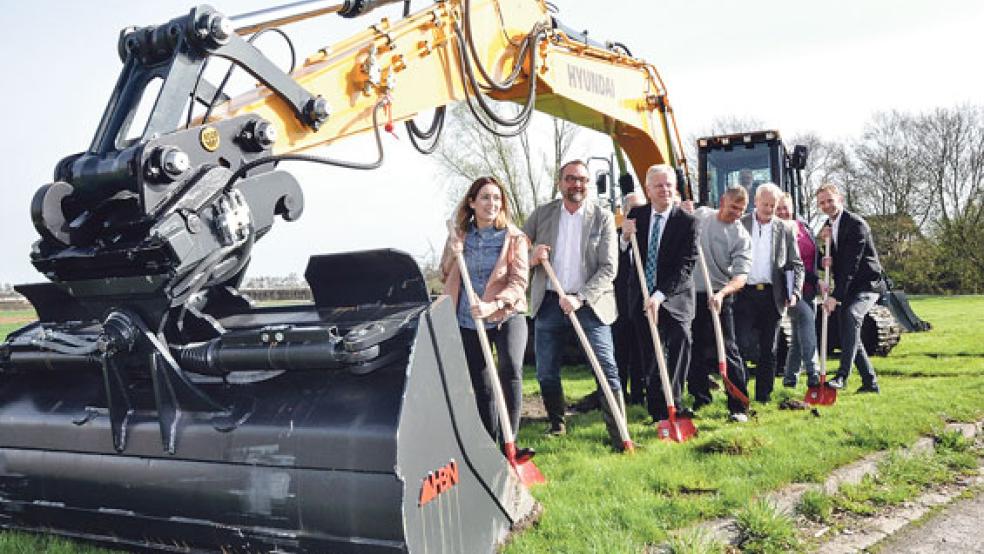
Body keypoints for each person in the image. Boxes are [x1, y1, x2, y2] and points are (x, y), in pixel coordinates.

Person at [523, 160, 626, 448]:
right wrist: (531, 255)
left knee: (606, 367)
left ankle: (619, 434)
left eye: (581, 179)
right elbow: (516, 248)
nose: (576, 185)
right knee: (545, 372)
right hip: (549, 302)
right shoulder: (543, 214)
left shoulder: (602, 218)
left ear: (588, 184)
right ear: (560, 183)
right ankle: (557, 424)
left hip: (591, 303)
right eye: (570, 179)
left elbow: (609, 268)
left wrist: (579, 298)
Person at [441, 176, 530, 446]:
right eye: (485, 197)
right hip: (469, 320)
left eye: (496, 198)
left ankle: (510, 441)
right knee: (482, 385)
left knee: (511, 369)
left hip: (506, 314)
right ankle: (490, 445)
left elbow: (519, 282)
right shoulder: (459, 236)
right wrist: (453, 254)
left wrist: (494, 304)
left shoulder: (514, 237)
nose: (492, 203)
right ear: (472, 202)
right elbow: (445, 273)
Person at [620, 165, 697, 424]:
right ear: (648, 190)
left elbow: (686, 265)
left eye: (669, 185)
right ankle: (657, 412)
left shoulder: (686, 221)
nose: (665, 190)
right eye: (659, 186)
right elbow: (622, 253)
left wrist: (660, 295)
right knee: (650, 353)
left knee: (680, 341)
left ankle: (675, 401)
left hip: (675, 295)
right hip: (641, 293)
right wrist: (624, 237)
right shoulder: (636, 215)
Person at [682, 187, 753, 422]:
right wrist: (683, 212)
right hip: (692, 294)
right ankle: (700, 397)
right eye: (733, 207)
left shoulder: (741, 236)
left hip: (721, 295)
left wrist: (722, 294)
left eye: (741, 210)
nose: (736, 214)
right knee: (693, 348)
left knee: (728, 349)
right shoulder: (701, 215)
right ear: (722, 201)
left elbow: (741, 277)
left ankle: (739, 405)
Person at [735, 183, 804, 403]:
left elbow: (795, 264)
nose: (768, 209)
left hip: (772, 296)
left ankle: (764, 396)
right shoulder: (740, 224)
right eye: (764, 204)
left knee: (769, 349)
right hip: (743, 295)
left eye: (772, 205)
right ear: (755, 202)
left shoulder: (784, 229)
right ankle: (739, 394)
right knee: (740, 345)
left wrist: (794, 291)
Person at [816, 182, 885, 393]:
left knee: (851, 316)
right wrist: (823, 252)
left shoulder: (856, 225)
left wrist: (835, 296)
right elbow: (832, 261)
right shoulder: (828, 227)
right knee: (849, 331)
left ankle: (843, 376)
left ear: (840, 200)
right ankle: (870, 383)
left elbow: (850, 266)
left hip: (868, 284)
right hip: (849, 287)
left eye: (830, 200)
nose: (827, 205)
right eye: (822, 203)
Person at [776, 193, 821, 388]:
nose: (783, 212)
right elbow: (793, 264)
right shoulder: (777, 232)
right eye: (778, 208)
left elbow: (813, 256)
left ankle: (789, 379)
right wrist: (816, 280)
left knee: (797, 337)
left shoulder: (805, 227)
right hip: (791, 289)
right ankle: (814, 374)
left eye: (785, 207)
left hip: (810, 288)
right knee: (807, 322)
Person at [613, 191, 648, 405]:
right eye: (632, 211)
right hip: (619, 303)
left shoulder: (649, 235)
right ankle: (618, 395)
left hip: (642, 302)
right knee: (619, 352)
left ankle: (638, 394)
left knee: (640, 351)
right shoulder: (615, 234)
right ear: (624, 212)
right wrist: (625, 238)